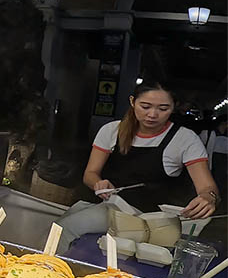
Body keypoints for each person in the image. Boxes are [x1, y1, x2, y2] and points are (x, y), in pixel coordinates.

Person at [83, 80, 219, 219]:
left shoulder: (185, 139)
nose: (152, 114)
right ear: (132, 101)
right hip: (107, 211)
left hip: (156, 221)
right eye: (145, 106)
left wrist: (208, 197)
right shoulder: (111, 130)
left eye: (163, 109)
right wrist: (98, 184)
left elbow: (207, 187)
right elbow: (90, 173)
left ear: (174, 107)